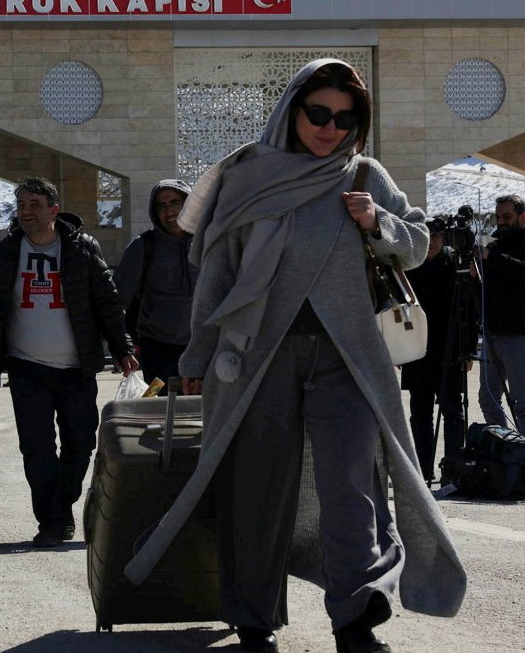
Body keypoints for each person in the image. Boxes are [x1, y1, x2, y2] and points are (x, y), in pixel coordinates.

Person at [131, 59, 465, 652]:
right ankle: (254, 621)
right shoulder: (248, 175)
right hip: (257, 357)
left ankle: (355, 620)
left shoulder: (363, 173)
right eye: (318, 113)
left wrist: (377, 219)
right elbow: (216, 274)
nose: (329, 127)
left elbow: (417, 244)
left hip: (349, 361)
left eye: (345, 118)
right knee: (255, 492)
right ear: (292, 109)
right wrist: (196, 360)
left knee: (351, 492)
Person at [0, 177, 137, 548]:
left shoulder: (82, 248)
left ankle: (63, 505)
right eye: (21, 205)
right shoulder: (8, 250)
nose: (26, 211)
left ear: (53, 210)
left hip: (76, 367)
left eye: (34, 205)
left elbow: (107, 300)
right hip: (27, 367)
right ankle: (51, 522)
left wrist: (122, 348)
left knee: (81, 443)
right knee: (37, 447)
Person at [402, 226, 477, 482]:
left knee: (452, 410)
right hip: (418, 351)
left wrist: (469, 350)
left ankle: (453, 469)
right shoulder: (410, 266)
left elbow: (470, 311)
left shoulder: (454, 266)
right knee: (420, 413)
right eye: (426, 235)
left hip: (450, 349)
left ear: (443, 238)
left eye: (435, 236)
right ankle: (423, 470)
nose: (431, 242)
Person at [475, 193, 525, 445]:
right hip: (492, 334)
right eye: (497, 218)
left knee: (521, 402)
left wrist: (491, 258)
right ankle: (505, 452)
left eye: (506, 217)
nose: (501, 222)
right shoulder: (494, 246)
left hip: (521, 336)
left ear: (523, 216)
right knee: (488, 399)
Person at [113, 178, 197, 395]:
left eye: (175, 202)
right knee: (165, 418)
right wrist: (122, 348)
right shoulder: (143, 247)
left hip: (205, 348)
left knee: (205, 419)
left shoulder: (210, 243)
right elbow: (115, 302)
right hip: (158, 351)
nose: (169, 211)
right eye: (161, 205)